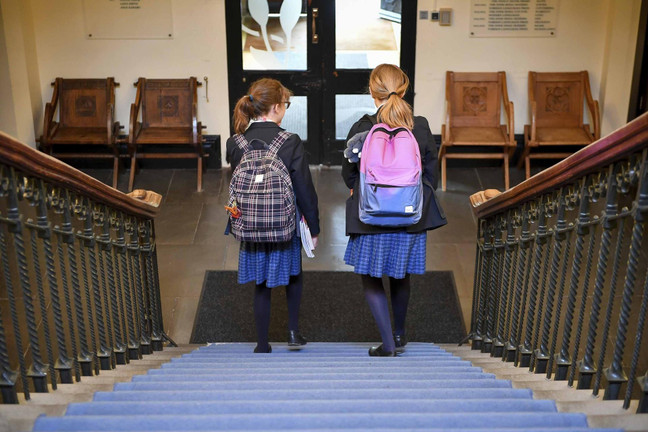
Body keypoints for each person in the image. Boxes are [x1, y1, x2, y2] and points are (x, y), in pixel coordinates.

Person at [342, 64, 446, 357]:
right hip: (410, 216)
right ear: (404, 89)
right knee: (401, 275)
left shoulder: (362, 127)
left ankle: (387, 342)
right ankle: (399, 335)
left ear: (372, 92)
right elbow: (431, 175)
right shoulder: (420, 126)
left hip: (370, 215)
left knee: (370, 276)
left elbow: (348, 175)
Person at [226, 78, 320, 354]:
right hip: (284, 224)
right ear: (276, 107)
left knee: (261, 282)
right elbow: (304, 188)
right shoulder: (290, 141)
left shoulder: (235, 142)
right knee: (294, 275)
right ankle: (293, 332)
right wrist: (313, 226)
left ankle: (262, 343)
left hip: (250, 223)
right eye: (286, 105)